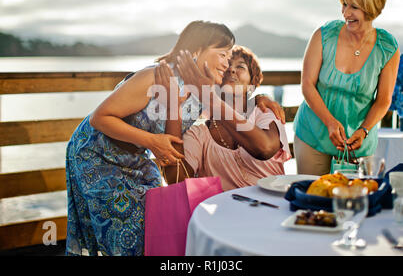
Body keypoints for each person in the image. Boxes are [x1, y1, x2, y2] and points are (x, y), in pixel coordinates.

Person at [65, 20, 283, 256]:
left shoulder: (202, 90)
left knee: (153, 225)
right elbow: (100, 118)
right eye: (222, 54)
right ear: (197, 51)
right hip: (97, 155)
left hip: (134, 158)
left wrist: (262, 97)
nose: (227, 62)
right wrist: (150, 141)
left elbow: (234, 97)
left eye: (229, 56)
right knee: (123, 236)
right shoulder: (155, 77)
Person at [293, 0, 400, 176]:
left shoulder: (387, 47)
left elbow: (383, 100)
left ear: (371, 8)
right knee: (311, 199)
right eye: (343, 5)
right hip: (313, 134)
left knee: (352, 202)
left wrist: (364, 130)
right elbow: (307, 84)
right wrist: (330, 123)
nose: (345, 13)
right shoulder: (324, 35)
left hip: (357, 144)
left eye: (353, 7)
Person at [157, 45, 291, 190]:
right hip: (225, 211)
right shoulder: (200, 134)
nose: (231, 69)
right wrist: (173, 106)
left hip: (272, 207)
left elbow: (265, 148)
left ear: (252, 83)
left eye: (240, 67)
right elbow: (176, 181)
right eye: (225, 65)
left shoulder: (264, 111)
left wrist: (209, 98)